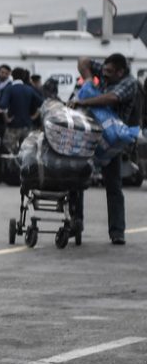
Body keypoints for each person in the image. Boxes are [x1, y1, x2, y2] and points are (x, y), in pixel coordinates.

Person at [68, 54, 141, 245]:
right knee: (76, 179)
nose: (105, 76)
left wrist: (83, 102)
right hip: (91, 135)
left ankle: (117, 232)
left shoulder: (129, 83)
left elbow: (111, 98)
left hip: (111, 142)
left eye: (109, 73)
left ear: (121, 72)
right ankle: (76, 222)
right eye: (104, 71)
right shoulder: (106, 71)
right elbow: (83, 60)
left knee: (113, 186)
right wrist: (89, 78)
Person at [0, 67, 43, 153]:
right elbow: (41, 103)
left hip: (13, 126)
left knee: (8, 151)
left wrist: (6, 118)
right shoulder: (29, 89)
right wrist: (34, 116)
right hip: (27, 125)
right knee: (27, 151)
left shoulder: (10, 88)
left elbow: (3, 105)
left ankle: (10, 166)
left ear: (12, 76)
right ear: (23, 76)